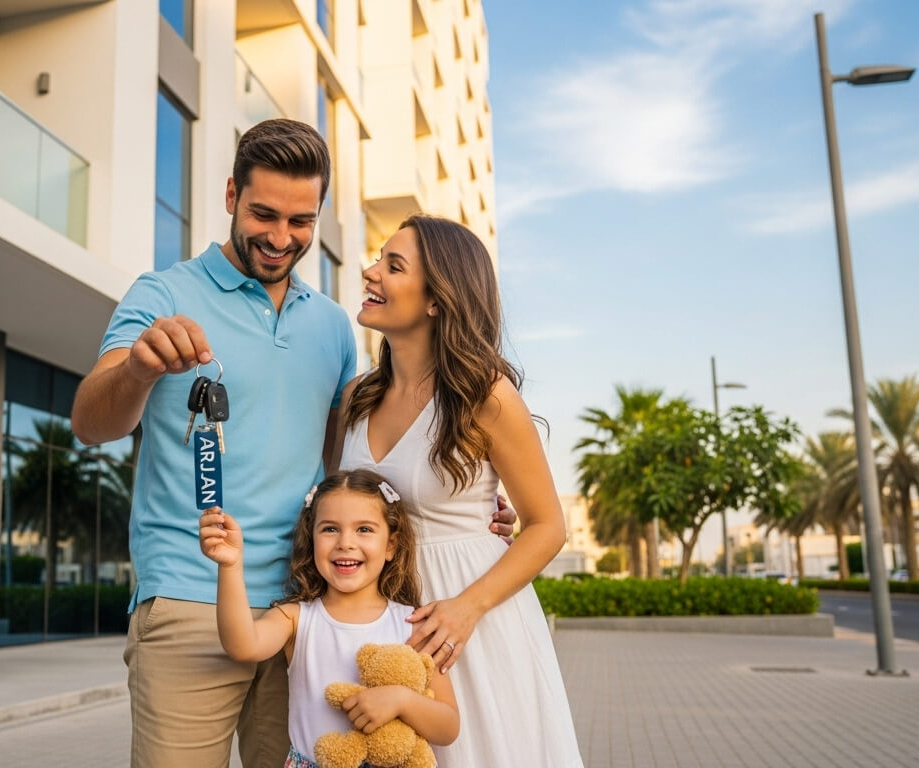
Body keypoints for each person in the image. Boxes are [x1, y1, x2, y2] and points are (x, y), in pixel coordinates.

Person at [69, 120, 513, 768]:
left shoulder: (334, 327)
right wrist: (138, 369)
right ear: (229, 196)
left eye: (300, 221)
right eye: (264, 214)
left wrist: (464, 509)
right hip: (190, 598)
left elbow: (347, 467)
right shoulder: (160, 294)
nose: (281, 239)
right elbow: (90, 422)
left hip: (309, 612)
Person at [335, 214, 584, 766]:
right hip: (381, 618)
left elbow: (547, 526)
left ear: (436, 299)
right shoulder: (356, 397)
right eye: (379, 257)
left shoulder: (484, 395)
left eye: (392, 265)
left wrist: (466, 610)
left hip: (469, 625)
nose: (370, 272)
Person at [199, 469, 459, 768]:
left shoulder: (414, 625)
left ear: (391, 545)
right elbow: (242, 646)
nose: (345, 542)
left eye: (364, 529)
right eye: (330, 529)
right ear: (311, 540)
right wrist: (230, 566)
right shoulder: (295, 617)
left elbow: (448, 726)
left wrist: (402, 700)